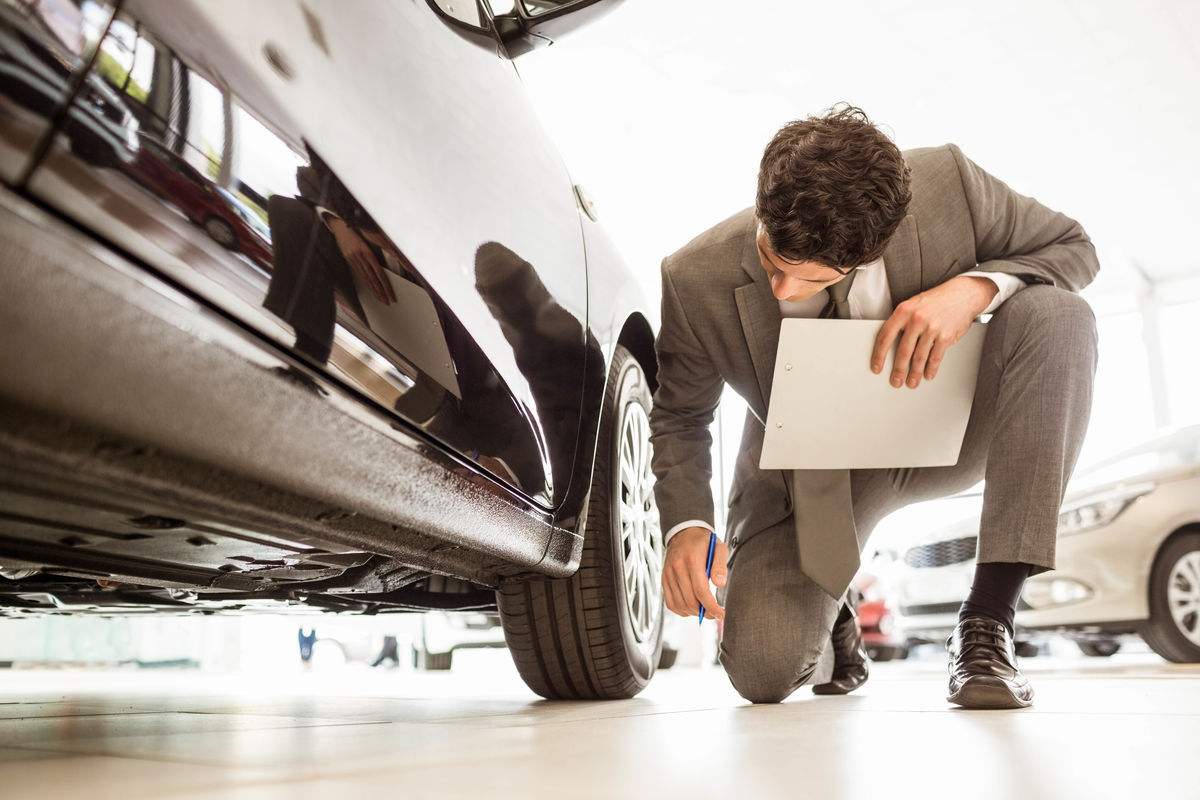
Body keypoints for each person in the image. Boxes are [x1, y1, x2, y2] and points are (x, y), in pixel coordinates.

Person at [650, 105, 1099, 709]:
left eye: (809, 279)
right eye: (770, 261)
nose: (781, 289)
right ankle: (836, 607)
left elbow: (1073, 249)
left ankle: (987, 622)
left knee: (1059, 316)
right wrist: (686, 525)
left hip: (949, 431)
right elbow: (681, 415)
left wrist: (976, 288)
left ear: (870, 249)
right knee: (762, 672)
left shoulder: (953, 187)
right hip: (806, 475)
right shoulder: (691, 277)